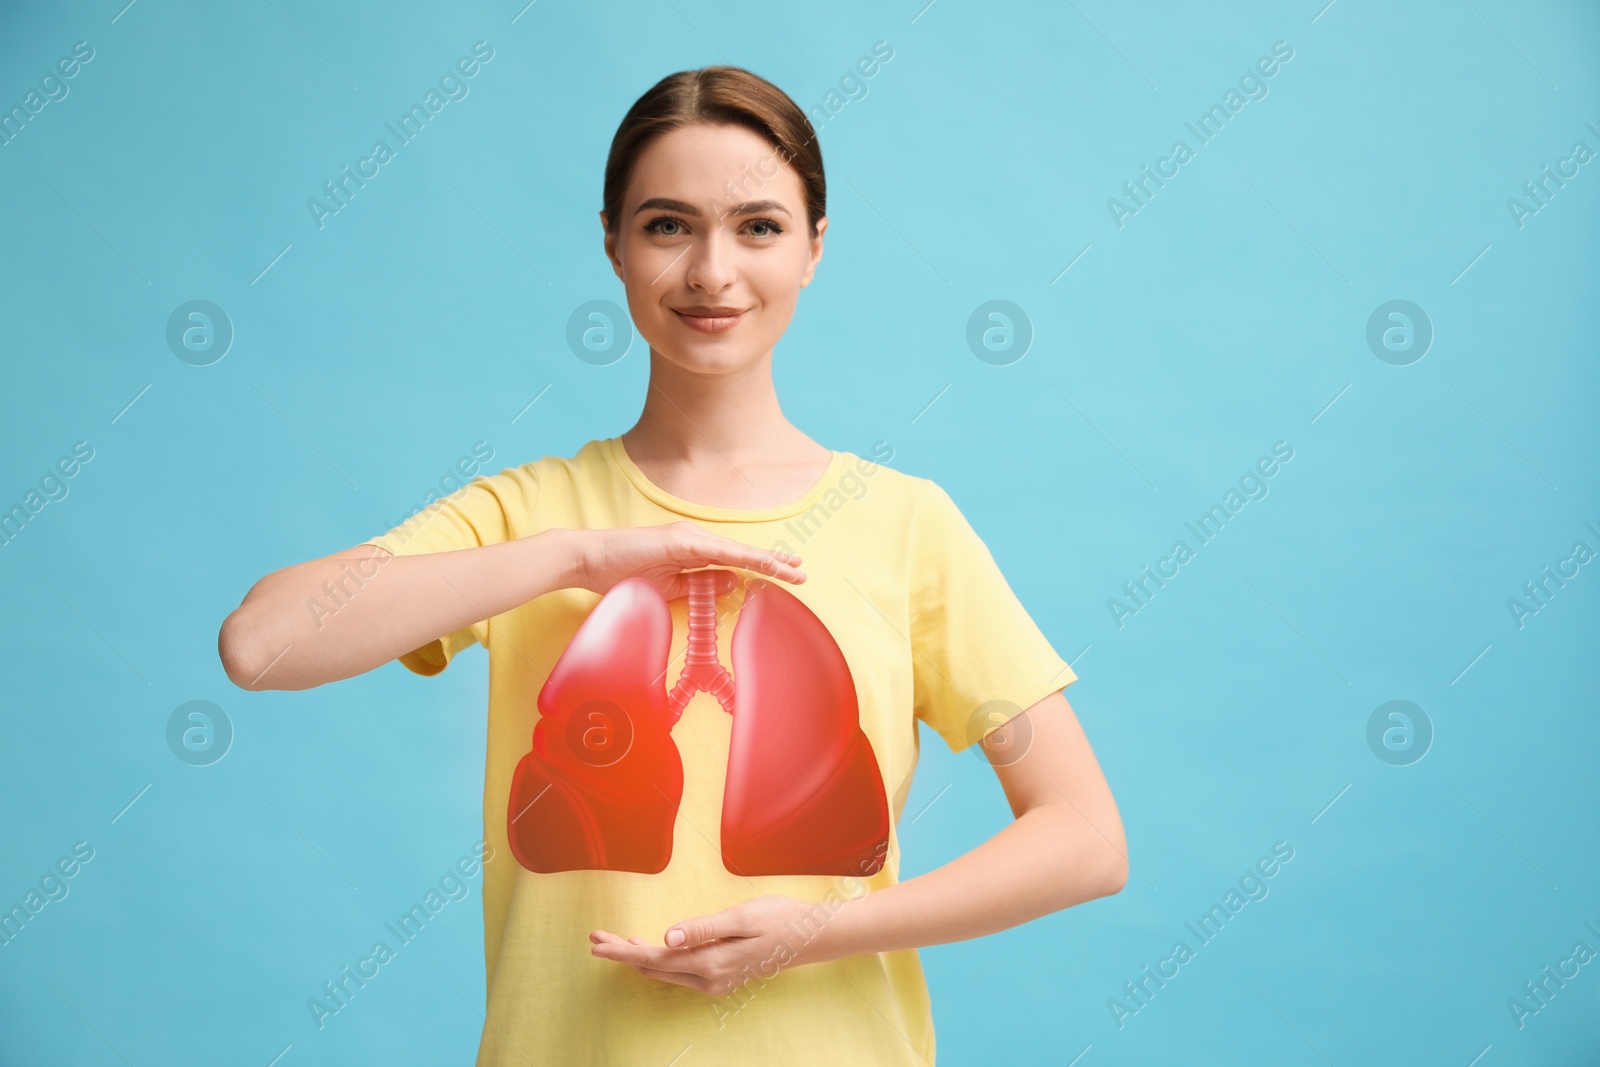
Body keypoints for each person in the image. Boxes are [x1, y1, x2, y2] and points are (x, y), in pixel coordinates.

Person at [218, 64, 1127, 1066]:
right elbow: (261, 644)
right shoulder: (529, 514)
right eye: (666, 225)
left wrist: (815, 931)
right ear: (611, 241)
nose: (710, 271)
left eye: (758, 226)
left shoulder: (905, 524)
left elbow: (1084, 836)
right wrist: (584, 552)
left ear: (816, 247)